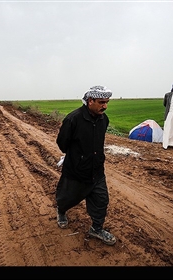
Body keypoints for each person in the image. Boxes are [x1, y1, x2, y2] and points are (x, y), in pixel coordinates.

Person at [55, 85, 116, 246]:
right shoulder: (73, 119)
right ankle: (61, 211)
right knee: (67, 197)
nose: (105, 106)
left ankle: (96, 228)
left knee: (101, 200)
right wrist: (78, 156)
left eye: (107, 102)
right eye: (101, 102)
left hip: (97, 170)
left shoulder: (104, 119)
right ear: (90, 101)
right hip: (76, 170)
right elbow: (62, 144)